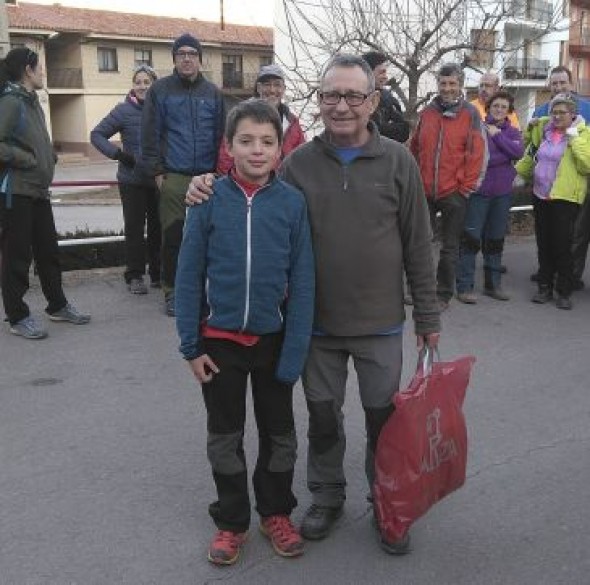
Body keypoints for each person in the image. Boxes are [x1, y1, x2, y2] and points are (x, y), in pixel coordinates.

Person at [185, 54, 441, 555]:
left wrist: (427, 317)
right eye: (330, 95)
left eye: (352, 96)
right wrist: (204, 183)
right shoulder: (297, 165)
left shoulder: (399, 161)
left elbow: (417, 244)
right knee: (322, 421)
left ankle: (389, 505)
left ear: (372, 101)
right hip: (315, 330)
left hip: (380, 324)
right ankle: (326, 497)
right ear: (319, 101)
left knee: (383, 424)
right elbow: (252, 194)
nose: (340, 106)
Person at [175, 99, 314, 565]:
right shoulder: (208, 199)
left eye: (267, 142)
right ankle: (231, 521)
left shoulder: (292, 204)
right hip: (219, 346)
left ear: (280, 148)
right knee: (225, 437)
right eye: (246, 141)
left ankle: (275, 511)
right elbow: (189, 275)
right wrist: (191, 347)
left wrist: (294, 353)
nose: (257, 151)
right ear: (228, 146)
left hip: (273, 344)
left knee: (280, 437)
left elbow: (304, 282)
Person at [0, 47, 90, 340]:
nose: (43, 71)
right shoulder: (12, 101)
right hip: (17, 191)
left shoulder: (32, 101)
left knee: (48, 252)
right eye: (39, 66)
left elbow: (29, 138)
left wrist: (47, 155)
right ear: (28, 69)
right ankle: (17, 316)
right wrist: (28, 160)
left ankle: (57, 305)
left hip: (37, 190)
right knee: (17, 257)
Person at [141, 33, 225, 316]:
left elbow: (221, 135)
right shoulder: (160, 90)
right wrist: (157, 172)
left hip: (208, 176)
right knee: (174, 237)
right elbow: (149, 133)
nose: (187, 58)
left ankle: (203, 290)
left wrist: (220, 172)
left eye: (192, 53)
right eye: (181, 54)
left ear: (200, 59)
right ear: (174, 59)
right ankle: (172, 291)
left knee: (208, 237)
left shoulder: (212, 92)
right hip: (174, 177)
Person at [410, 62, 487, 310]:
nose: (447, 88)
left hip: (454, 190)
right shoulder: (427, 113)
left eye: (452, 83)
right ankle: (419, 291)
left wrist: (466, 188)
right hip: (424, 189)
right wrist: (413, 181)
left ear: (461, 85)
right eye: (443, 83)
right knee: (419, 243)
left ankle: (443, 294)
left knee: (449, 247)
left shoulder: (471, 115)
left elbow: (478, 153)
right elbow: (414, 149)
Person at [90, 64, 161, 295]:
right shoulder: (123, 111)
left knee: (159, 229)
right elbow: (96, 134)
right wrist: (119, 154)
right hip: (132, 180)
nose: (142, 86)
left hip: (159, 179)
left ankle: (158, 274)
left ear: (154, 85)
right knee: (134, 229)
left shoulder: (164, 109)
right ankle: (135, 276)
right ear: (133, 86)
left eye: (146, 82)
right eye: (138, 82)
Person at [516, 93, 590, 309]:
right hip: (541, 194)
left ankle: (564, 290)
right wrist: (530, 129)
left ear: (573, 114)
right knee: (544, 243)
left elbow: (587, 165)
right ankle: (544, 286)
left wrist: (574, 137)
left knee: (562, 245)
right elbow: (527, 146)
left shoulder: (583, 133)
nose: (557, 116)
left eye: (562, 112)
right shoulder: (545, 129)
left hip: (565, 198)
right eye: (553, 112)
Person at [456, 91, 524, 303]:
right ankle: (464, 287)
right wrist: (503, 154)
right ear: (488, 108)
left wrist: (497, 136)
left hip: (501, 194)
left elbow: (518, 152)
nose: (499, 110)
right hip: (479, 192)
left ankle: (493, 285)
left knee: (495, 240)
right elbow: (480, 158)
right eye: (496, 106)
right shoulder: (477, 130)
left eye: (504, 107)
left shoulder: (511, 132)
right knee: (470, 239)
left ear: (509, 111)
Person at [529, 66, 590, 290]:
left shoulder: (587, 109)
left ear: (571, 84)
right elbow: (533, 146)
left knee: (576, 234)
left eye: (562, 82)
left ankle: (570, 276)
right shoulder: (540, 112)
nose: (558, 87)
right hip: (545, 184)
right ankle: (547, 272)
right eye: (554, 83)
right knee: (546, 232)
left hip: (576, 180)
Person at [216, 64, 305, 174]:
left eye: (277, 85)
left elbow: (302, 157)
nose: (272, 90)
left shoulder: (292, 122)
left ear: (283, 89)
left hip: (284, 187)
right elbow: (225, 160)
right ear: (258, 88)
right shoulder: (240, 117)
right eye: (267, 85)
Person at [361, 51, 410, 142]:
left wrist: (380, 129)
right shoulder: (353, 99)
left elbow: (404, 131)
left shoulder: (389, 99)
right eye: (381, 73)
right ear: (368, 73)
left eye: (385, 73)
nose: (386, 77)